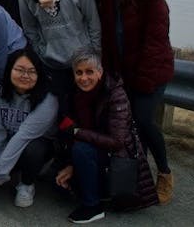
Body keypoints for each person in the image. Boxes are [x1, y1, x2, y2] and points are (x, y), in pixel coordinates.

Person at [96, 0, 175, 204]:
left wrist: (143, 79)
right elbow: (106, 36)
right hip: (121, 71)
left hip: (150, 72)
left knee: (142, 121)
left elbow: (156, 42)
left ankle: (164, 173)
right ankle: (135, 175)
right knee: (124, 125)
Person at [55, 48, 158, 223]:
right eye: (78, 72)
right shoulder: (74, 94)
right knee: (58, 184)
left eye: (89, 72)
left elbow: (117, 142)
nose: (83, 78)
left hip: (118, 155)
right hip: (96, 148)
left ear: (100, 72)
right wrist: (70, 164)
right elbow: (67, 131)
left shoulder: (115, 94)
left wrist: (78, 132)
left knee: (82, 149)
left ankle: (92, 206)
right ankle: (92, 187)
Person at [18, 0, 101, 99]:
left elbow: (93, 22)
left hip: (82, 63)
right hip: (51, 64)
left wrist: (95, 56)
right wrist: (42, 51)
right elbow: (29, 27)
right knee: (61, 117)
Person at [0, 49, 58, 208]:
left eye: (32, 71)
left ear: (39, 74)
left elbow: (24, 135)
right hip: (10, 144)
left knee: (34, 147)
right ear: (9, 70)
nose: (25, 76)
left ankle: (27, 184)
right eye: (19, 70)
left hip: (35, 148)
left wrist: (2, 169)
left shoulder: (48, 99)